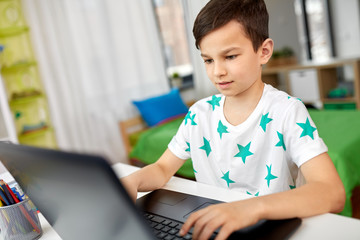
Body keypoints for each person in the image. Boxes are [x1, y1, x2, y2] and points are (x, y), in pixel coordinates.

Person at [121, 0, 346, 239]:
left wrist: (251, 208)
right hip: (214, 227)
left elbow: (332, 192)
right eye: (208, 60)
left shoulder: (288, 111)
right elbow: (163, 168)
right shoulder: (199, 114)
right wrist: (133, 181)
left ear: (264, 51)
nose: (217, 71)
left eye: (229, 56)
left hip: (267, 227)